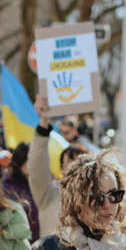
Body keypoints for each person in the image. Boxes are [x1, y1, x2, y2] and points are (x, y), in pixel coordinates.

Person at [30, 93, 89, 236]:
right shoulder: (49, 194)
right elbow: (37, 164)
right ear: (62, 168)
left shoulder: (96, 199)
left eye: (81, 162)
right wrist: (44, 120)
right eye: (70, 161)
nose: (75, 167)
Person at [0, 142, 40, 241]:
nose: (35, 164)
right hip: (21, 243)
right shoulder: (8, 188)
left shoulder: (40, 183)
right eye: (31, 160)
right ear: (20, 161)